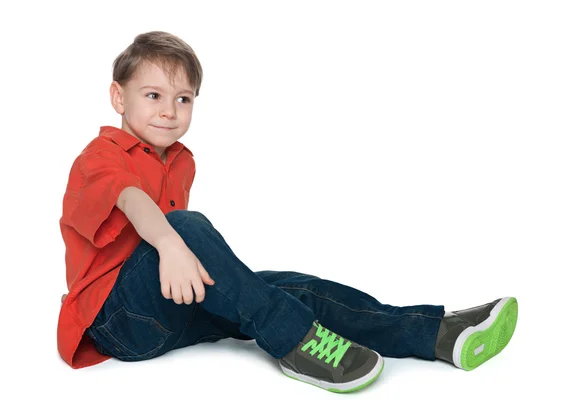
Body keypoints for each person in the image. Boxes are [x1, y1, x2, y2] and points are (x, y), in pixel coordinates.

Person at [57, 31, 518, 393]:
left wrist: (191, 257)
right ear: (119, 98)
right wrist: (169, 241)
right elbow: (132, 201)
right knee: (186, 227)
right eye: (153, 96)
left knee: (289, 287)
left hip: (171, 311)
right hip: (120, 322)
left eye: (184, 99)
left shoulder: (181, 160)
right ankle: (296, 343)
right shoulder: (100, 154)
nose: (170, 111)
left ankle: (438, 334)